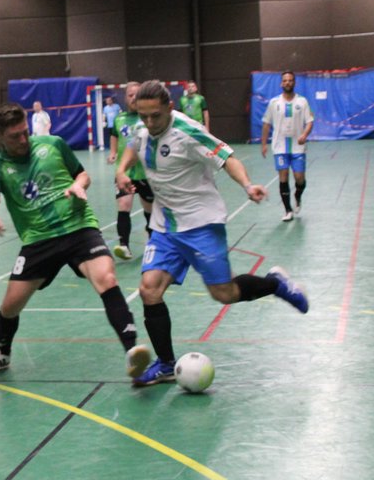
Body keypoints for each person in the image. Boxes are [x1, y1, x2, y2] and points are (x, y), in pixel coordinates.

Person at [116, 80, 309, 387]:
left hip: (201, 223)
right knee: (149, 289)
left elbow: (228, 158)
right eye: (143, 116)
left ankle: (275, 284)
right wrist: (122, 170)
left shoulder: (188, 133)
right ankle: (165, 363)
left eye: (155, 116)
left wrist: (247, 186)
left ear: (170, 107)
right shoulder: (143, 128)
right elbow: (132, 145)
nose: (149, 123)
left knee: (224, 293)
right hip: (166, 226)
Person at [0, 102, 150, 379]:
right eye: (15, 136)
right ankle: (3, 353)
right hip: (39, 239)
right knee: (10, 307)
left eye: (25, 132)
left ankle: (132, 352)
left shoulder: (53, 144)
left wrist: (77, 185)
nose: (23, 140)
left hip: (78, 227)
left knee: (107, 278)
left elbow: (82, 174)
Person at [106, 82, 154, 259]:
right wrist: (112, 152)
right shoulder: (119, 119)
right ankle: (124, 245)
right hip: (124, 172)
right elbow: (114, 136)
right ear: (125, 98)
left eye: (137, 94)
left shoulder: (148, 118)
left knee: (149, 209)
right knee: (124, 206)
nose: (133, 98)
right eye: (130, 95)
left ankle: (152, 240)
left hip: (145, 173)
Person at [259, 70, 314, 221]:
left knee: (299, 178)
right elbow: (266, 124)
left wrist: (304, 135)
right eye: (285, 80)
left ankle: (297, 195)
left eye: (290, 80)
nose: (287, 83)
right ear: (281, 83)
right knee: (283, 178)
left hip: (298, 147)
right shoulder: (274, 103)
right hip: (279, 147)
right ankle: (288, 210)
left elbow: (310, 122)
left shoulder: (302, 101)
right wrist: (263, 144)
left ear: (294, 83)